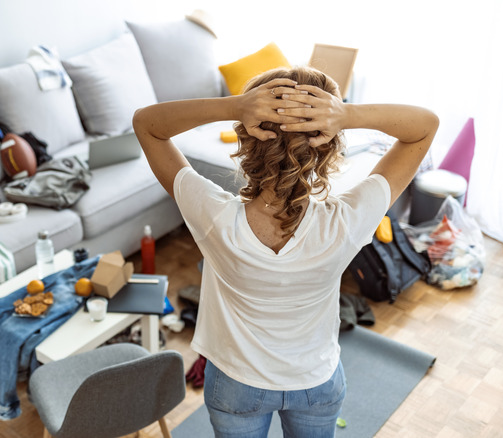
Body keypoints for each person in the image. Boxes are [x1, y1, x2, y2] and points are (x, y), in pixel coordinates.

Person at [132, 66, 438, 437]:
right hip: (315, 384)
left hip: (235, 384)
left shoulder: (211, 214)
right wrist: (347, 114)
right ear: (328, 144)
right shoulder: (347, 221)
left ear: (246, 138)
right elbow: (425, 126)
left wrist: (235, 106)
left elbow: (146, 123)